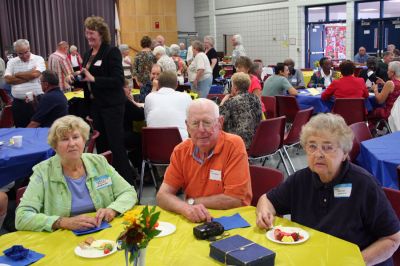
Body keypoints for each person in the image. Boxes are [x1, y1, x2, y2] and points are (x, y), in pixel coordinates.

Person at [256, 113, 400, 266]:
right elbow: (267, 199)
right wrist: (264, 212)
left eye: (328, 147)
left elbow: (393, 239)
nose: (318, 154)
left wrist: (355, 262)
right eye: (312, 146)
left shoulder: (364, 185)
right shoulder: (300, 180)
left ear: (345, 153)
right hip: (313, 259)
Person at [15, 115, 137, 232]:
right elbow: (22, 217)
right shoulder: (43, 171)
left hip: (102, 233)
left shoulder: (98, 162)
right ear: (55, 146)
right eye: (64, 139)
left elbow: (128, 192)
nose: (72, 144)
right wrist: (62, 222)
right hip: (60, 240)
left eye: (75, 137)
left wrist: (112, 209)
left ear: (84, 140)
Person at [156, 98, 252, 223]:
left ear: (220, 123)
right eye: (195, 123)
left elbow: (235, 199)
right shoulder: (181, 151)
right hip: (195, 219)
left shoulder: (233, 145)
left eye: (207, 122)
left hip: (232, 219)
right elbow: (162, 196)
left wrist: (192, 202)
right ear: (187, 126)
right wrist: (185, 208)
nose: (201, 129)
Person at [73, 16, 136, 185]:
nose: (88, 36)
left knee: (116, 146)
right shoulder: (87, 54)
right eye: (86, 33)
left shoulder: (111, 51)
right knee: (101, 148)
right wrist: (78, 79)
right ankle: (106, 186)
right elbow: (88, 81)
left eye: (91, 33)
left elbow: (117, 80)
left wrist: (94, 79)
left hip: (112, 107)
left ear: (101, 33)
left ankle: (128, 186)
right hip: (95, 106)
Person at [4, 39, 46, 127]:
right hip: (19, 103)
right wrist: (30, 74)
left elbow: (35, 74)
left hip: (37, 101)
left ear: (29, 48)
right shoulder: (12, 62)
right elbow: (8, 80)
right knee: (21, 129)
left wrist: (17, 74)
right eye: (20, 53)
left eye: (26, 52)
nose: (24, 55)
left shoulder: (38, 59)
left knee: (39, 128)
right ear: (16, 52)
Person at [144, 71, 192, 140]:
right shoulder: (186, 97)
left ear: (158, 84)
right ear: (176, 85)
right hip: (180, 144)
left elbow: (146, 119)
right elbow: (190, 121)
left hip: (154, 145)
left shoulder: (149, 97)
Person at [219, 72, 262, 149]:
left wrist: (223, 101)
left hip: (238, 143)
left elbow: (219, 119)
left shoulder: (232, 101)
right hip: (256, 142)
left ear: (235, 87)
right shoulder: (256, 99)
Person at [132, 36, 156, 102]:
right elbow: (156, 68)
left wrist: (137, 81)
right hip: (152, 80)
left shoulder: (138, 55)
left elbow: (134, 69)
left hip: (141, 81)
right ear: (150, 43)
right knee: (151, 99)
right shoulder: (153, 55)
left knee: (143, 100)